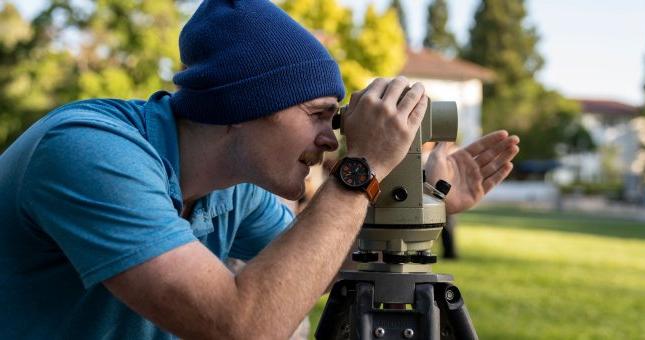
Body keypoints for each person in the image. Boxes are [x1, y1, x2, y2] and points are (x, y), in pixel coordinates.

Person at [0, 0, 519, 339]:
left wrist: (427, 198)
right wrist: (359, 169)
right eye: (318, 114)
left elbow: (321, 269)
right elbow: (242, 325)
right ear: (242, 108)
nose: (331, 137)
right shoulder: (90, 153)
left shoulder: (234, 188)